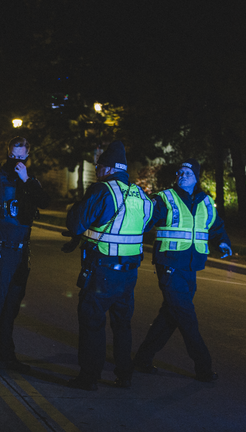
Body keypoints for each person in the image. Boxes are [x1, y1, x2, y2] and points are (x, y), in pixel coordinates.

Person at [62, 140, 154, 391]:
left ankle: (89, 376)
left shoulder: (102, 190)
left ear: (107, 168)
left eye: (98, 165)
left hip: (102, 271)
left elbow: (76, 225)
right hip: (129, 274)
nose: (96, 169)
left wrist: (75, 208)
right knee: (122, 325)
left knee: (92, 323)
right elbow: (143, 226)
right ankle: (124, 375)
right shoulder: (141, 196)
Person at [132, 158, 232, 382]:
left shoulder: (206, 201)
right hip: (169, 266)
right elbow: (146, 222)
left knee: (170, 316)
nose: (182, 174)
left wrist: (223, 241)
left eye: (188, 172)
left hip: (191, 268)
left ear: (196, 177)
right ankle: (203, 367)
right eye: (180, 172)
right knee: (187, 318)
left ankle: (142, 359)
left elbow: (215, 226)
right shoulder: (164, 198)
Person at [0, 136, 50, 375]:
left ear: (27, 156)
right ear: (8, 153)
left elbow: (44, 203)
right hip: (0, 250)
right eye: (13, 156)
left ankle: (6, 356)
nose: (16, 161)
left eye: (21, 157)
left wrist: (27, 181)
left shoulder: (29, 181)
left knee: (11, 308)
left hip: (21, 252)